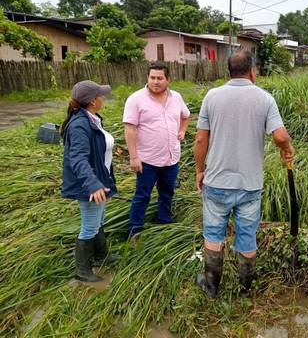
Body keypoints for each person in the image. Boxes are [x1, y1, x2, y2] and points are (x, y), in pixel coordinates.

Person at [194, 50, 295, 298]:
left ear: (228, 70)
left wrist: (199, 170)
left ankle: (211, 285)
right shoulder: (264, 99)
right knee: (247, 235)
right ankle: (245, 287)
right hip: (249, 185)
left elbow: (199, 139)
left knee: (214, 233)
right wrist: (287, 149)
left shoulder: (212, 96)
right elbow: (280, 136)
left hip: (216, 181)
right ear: (252, 70)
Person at [61, 80, 119, 282]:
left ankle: (101, 256)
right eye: (100, 95)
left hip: (98, 180)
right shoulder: (79, 125)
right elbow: (77, 158)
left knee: (98, 221)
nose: (102, 98)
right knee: (89, 226)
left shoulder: (91, 118)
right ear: (93, 101)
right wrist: (93, 184)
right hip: (88, 184)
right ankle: (83, 271)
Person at [123, 62, 190, 237]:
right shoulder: (136, 99)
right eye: (152, 77)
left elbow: (186, 116)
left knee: (167, 193)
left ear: (168, 79)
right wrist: (133, 157)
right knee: (142, 196)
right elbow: (129, 129)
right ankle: (135, 230)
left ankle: (164, 222)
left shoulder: (176, 97)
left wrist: (182, 130)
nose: (155, 81)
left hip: (171, 158)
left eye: (160, 78)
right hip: (147, 160)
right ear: (147, 78)